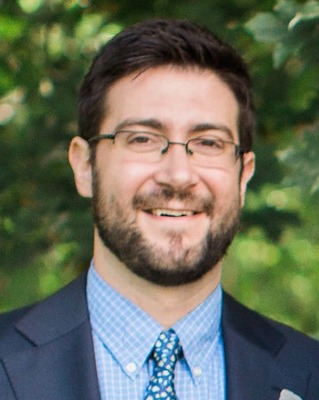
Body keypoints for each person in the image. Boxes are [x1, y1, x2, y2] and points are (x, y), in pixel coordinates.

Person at [0, 19, 318, 400]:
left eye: (209, 143)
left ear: (243, 175)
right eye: (143, 139)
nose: (178, 176)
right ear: (85, 167)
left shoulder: (308, 373)